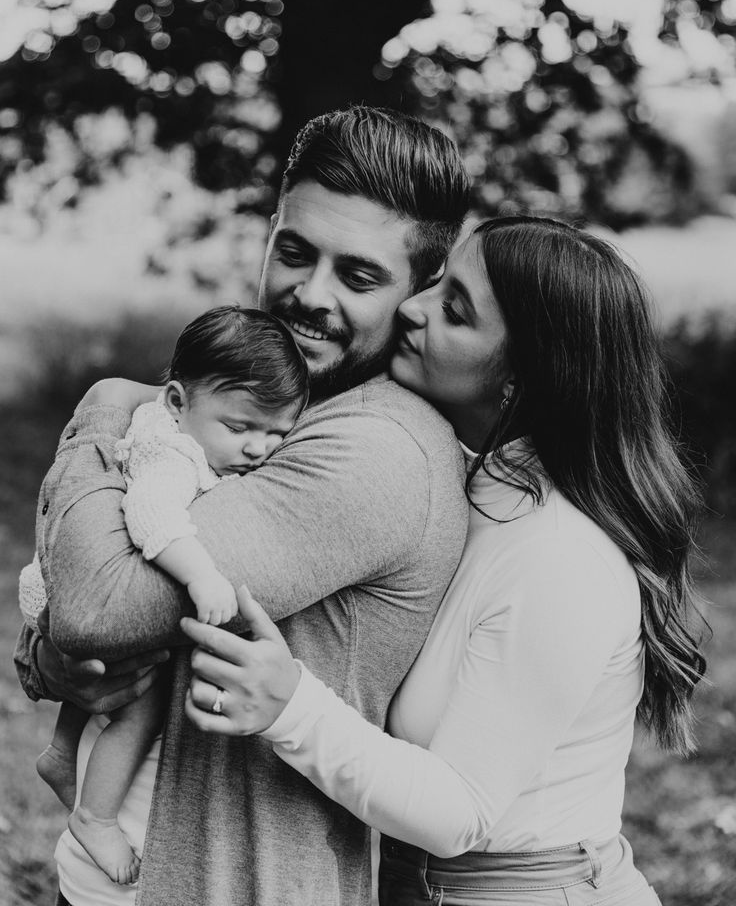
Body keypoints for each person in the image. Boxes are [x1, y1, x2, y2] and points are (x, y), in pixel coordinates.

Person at [13, 105, 472, 906]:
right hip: (123, 871)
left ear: (419, 289)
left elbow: (98, 604)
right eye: (293, 252)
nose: (309, 294)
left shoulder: (376, 450)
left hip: (225, 882)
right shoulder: (274, 408)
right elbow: (79, 629)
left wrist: (105, 407)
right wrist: (48, 658)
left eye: (358, 276)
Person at [180, 216, 707, 906]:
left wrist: (292, 706)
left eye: (453, 311)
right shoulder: (478, 485)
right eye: (434, 284)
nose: (411, 308)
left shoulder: (562, 560)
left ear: (522, 379)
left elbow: (460, 812)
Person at [18, 305, 308, 885]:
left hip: (59, 579)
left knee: (118, 675)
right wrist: (201, 575)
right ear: (176, 401)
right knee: (147, 701)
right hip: (69, 589)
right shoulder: (172, 455)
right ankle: (96, 817)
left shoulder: (179, 425)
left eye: (277, 433)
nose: (259, 448)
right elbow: (152, 516)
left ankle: (60, 752)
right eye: (241, 427)